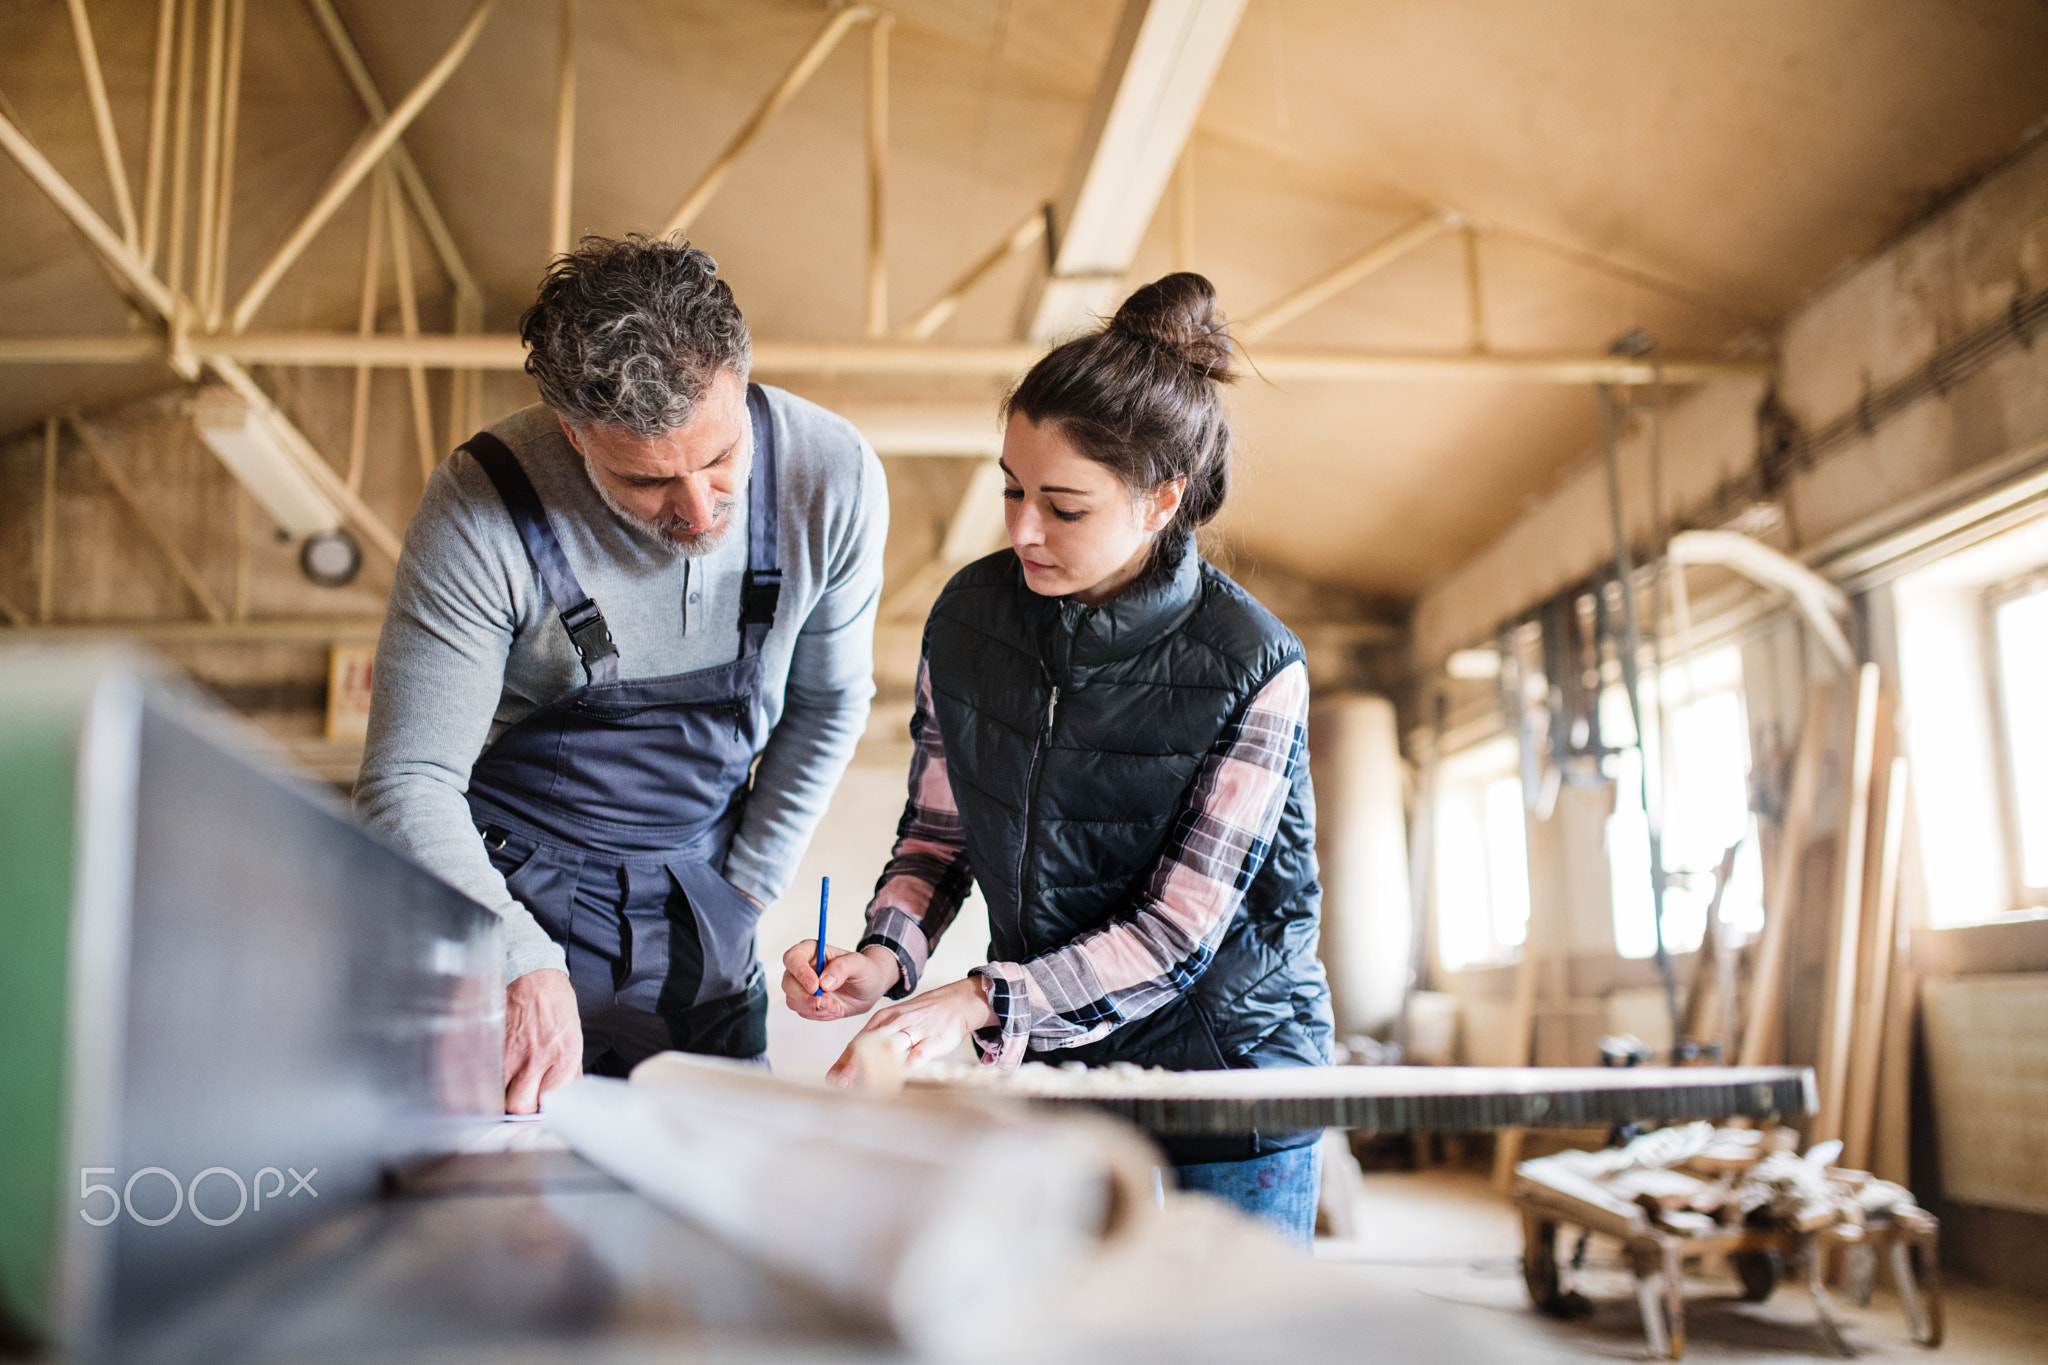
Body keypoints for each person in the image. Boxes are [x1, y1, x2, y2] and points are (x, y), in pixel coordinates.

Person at [780, 272, 1334, 1244]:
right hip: (1056, 1056)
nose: (1022, 530)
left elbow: (1174, 935)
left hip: (1227, 1075)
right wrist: (884, 958)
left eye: (1064, 506)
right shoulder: (967, 622)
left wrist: (978, 1000)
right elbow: (940, 834)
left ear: (1160, 501)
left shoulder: (1254, 665)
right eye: (1010, 489)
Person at [357, 236, 887, 1113]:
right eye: (645, 480)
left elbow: (829, 706)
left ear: (740, 379)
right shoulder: (480, 508)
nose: (697, 508)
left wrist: (743, 892)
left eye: (719, 460)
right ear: (573, 432)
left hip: (700, 922)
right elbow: (406, 782)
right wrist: (515, 960)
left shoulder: (828, 478)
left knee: (713, 1216)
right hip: (503, 909)